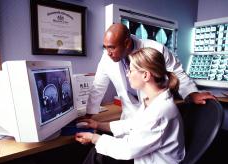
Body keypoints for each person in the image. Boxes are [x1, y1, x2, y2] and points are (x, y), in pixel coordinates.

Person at [70, 48, 185, 164]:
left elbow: (127, 149)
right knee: (97, 154)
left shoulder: (160, 111)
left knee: (100, 157)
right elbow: (134, 124)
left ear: (146, 75)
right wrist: (98, 125)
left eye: (130, 70)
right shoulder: (153, 100)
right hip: (145, 158)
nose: (127, 74)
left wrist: (94, 138)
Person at [86, 23, 215, 119]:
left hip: (155, 112)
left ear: (126, 43)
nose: (108, 52)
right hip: (130, 114)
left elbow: (176, 73)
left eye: (112, 47)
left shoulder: (156, 49)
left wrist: (191, 93)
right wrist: (89, 115)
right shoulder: (107, 57)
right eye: (105, 47)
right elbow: (98, 87)